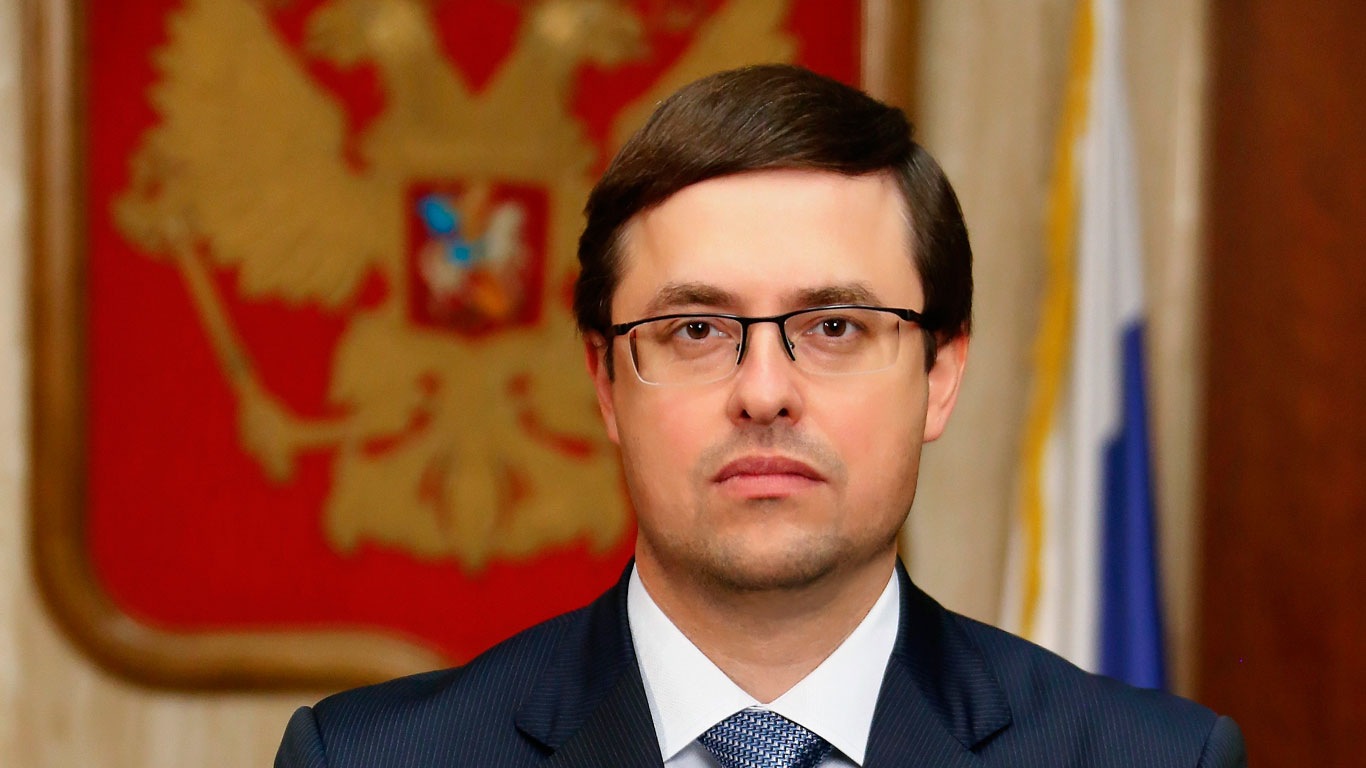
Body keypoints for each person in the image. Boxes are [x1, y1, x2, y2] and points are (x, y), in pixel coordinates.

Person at [275, 64, 1245, 768]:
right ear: (606, 381)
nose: (765, 389)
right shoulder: (368, 761)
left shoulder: (1152, 761)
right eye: (696, 329)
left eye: (835, 326)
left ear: (941, 373)